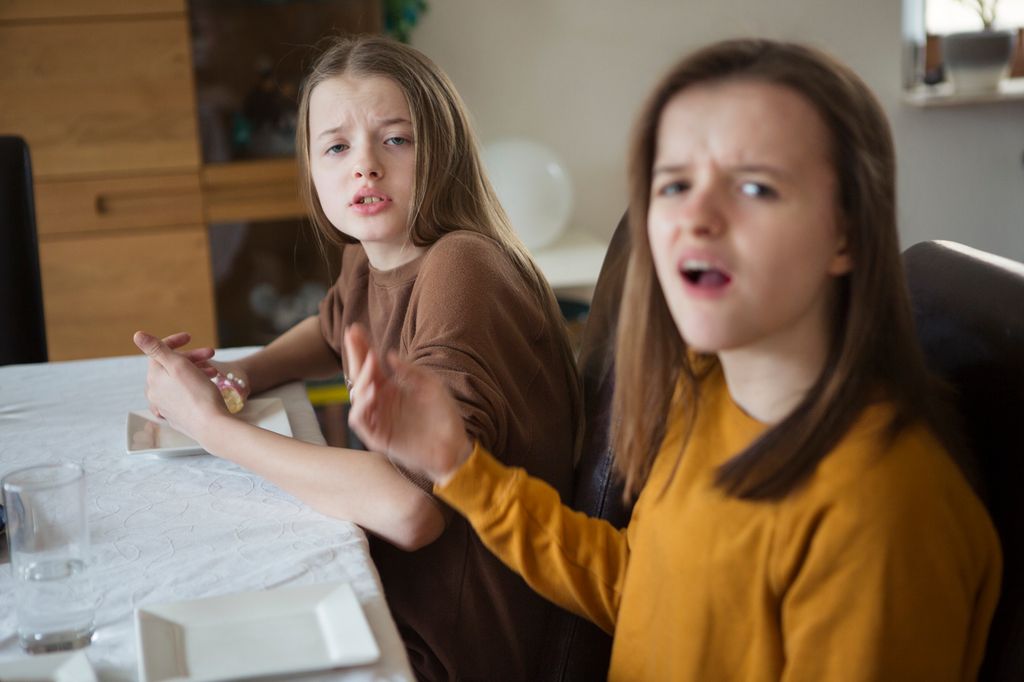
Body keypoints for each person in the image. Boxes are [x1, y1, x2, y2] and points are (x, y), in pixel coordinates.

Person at [340, 39, 1003, 680]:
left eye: (756, 188)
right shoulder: (705, 393)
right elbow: (641, 590)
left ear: (846, 234)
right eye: (675, 184)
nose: (696, 218)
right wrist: (458, 466)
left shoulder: (880, 510)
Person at [133, 35, 581, 682]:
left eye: (395, 140)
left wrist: (212, 427)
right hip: (394, 595)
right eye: (337, 147)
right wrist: (239, 375)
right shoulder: (375, 260)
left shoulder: (463, 267)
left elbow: (408, 506)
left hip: (447, 647)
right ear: (312, 173)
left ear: (445, 154)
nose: (363, 167)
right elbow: (330, 329)